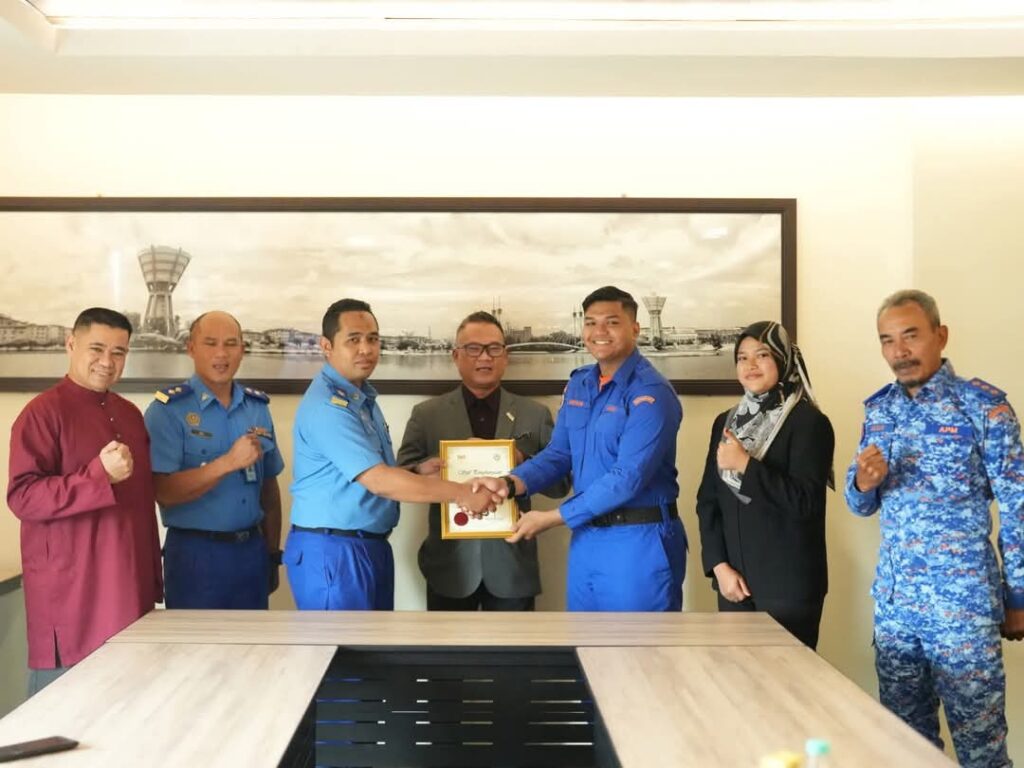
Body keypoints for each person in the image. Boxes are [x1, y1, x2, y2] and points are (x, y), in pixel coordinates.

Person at [846, 289, 1023, 768]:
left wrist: (1018, 595)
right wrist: (862, 484)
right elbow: (859, 503)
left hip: (962, 608)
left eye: (910, 336)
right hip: (897, 609)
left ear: (940, 336)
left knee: (982, 752)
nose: (899, 351)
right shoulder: (880, 410)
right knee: (903, 745)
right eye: (887, 340)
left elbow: (1018, 507)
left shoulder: (984, 409)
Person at [285, 298, 505, 611]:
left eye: (372, 339)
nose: (365, 349)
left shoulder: (362, 399)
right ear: (326, 346)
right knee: (343, 643)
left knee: (372, 642)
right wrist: (461, 493)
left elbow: (370, 473)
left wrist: (415, 473)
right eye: (353, 340)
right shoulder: (328, 407)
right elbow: (379, 481)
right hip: (334, 550)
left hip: (364, 546)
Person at [7, 308, 162, 695]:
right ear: (71, 344)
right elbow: (23, 497)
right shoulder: (42, 413)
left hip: (129, 590)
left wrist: (153, 582)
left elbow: (142, 509)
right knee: (62, 713)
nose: (107, 361)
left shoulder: (129, 414)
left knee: (129, 708)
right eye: (96, 348)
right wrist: (97, 476)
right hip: (72, 596)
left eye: (118, 352)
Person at [504, 286, 686, 611]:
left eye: (611, 322)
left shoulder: (651, 393)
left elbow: (627, 478)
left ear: (635, 329)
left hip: (637, 541)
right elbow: (559, 454)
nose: (599, 332)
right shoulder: (580, 383)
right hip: (587, 538)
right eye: (590, 323)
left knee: (640, 643)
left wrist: (553, 517)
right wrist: (509, 484)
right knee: (584, 639)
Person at [396, 311, 568, 611]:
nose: (485, 357)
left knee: (513, 644)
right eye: (474, 348)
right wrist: (426, 469)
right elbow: (400, 479)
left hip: (512, 568)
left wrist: (524, 460)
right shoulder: (427, 415)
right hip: (448, 566)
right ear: (456, 356)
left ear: (506, 355)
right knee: (446, 644)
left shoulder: (534, 414)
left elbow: (561, 485)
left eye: (494, 348)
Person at [695, 321, 834, 649]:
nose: (750, 365)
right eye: (742, 358)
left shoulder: (809, 423)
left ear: (784, 359)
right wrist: (719, 566)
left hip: (788, 589)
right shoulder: (726, 422)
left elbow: (806, 503)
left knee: (787, 679)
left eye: (762, 355)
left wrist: (746, 466)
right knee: (736, 678)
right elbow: (708, 502)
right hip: (734, 586)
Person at [143, 311, 284, 609]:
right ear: (191, 348)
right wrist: (227, 463)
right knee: (196, 641)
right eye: (210, 343)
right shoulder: (167, 410)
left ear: (242, 349)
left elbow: (269, 489)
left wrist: (272, 553)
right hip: (196, 555)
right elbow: (163, 492)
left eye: (231, 344)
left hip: (251, 551)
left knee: (253, 639)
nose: (222, 354)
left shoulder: (256, 407)